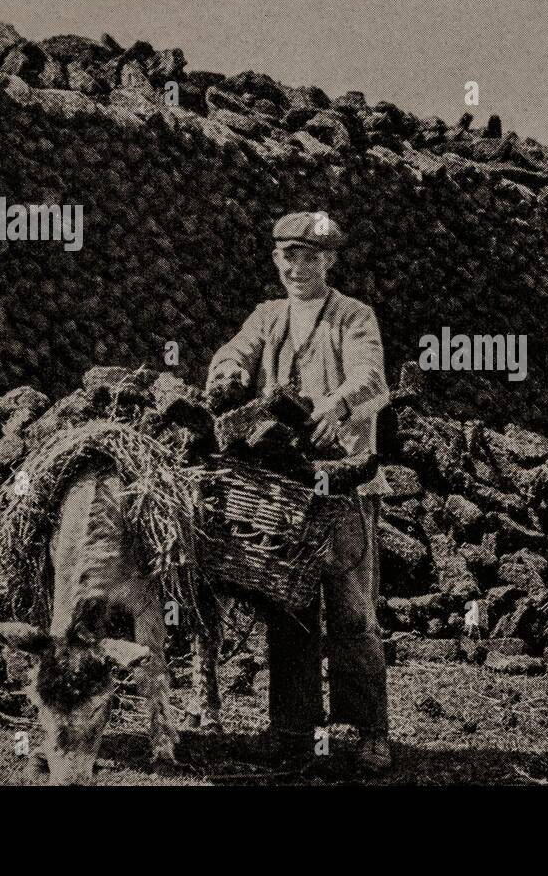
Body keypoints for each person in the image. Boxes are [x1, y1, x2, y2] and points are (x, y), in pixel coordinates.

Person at [206, 210, 393, 771]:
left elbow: (371, 379)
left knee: (352, 612)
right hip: (282, 489)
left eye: (310, 257)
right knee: (289, 609)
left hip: (343, 482)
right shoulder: (267, 317)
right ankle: (292, 731)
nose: (298, 267)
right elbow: (233, 353)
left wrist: (332, 405)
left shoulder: (353, 317)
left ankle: (369, 736)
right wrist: (225, 374)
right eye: (289, 256)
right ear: (276, 260)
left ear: (330, 261)